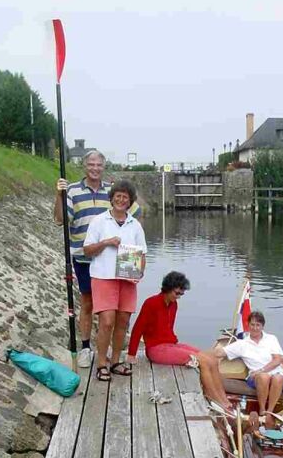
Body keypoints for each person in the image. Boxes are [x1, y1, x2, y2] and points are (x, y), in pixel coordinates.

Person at [54, 150, 141, 367]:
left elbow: (135, 213)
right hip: (84, 255)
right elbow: (60, 219)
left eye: (99, 165)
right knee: (88, 302)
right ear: (85, 166)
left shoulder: (112, 190)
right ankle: (86, 347)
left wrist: (131, 251)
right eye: (91, 164)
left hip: (112, 258)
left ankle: (110, 350)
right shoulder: (72, 190)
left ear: (104, 167)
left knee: (115, 309)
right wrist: (59, 195)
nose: (95, 168)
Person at [126, 272, 232, 412]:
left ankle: (225, 400)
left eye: (181, 294)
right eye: (177, 293)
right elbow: (138, 328)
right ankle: (215, 400)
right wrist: (131, 353)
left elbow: (168, 329)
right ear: (168, 288)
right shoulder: (151, 303)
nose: (178, 296)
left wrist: (176, 345)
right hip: (155, 349)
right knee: (203, 362)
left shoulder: (173, 304)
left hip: (170, 345)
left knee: (212, 359)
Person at [83, 180, 146, 381]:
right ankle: (102, 363)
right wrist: (106, 242)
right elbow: (87, 250)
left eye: (125, 197)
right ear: (111, 199)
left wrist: (139, 273)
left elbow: (142, 253)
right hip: (103, 277)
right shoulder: (99, 221)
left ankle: (116, 361)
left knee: (123, 322)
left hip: (127, 279)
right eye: (118, 196)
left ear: (130, 201)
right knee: (107, 321)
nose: (121, 200)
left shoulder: (135, 225)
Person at [214, 310, 283, 424]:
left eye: (258, 325)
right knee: (263, 377)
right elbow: (220, 353)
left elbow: (277, 359)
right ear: (248, 325)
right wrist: (212, 351)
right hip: (255, 377)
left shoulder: (271, 339)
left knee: (278, 378)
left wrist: (262, 370)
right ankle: (262, 410)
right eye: (252, 325)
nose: (255, 328)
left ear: (262, 326)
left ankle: (270, 412)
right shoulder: (242, 344)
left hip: (275, 374)